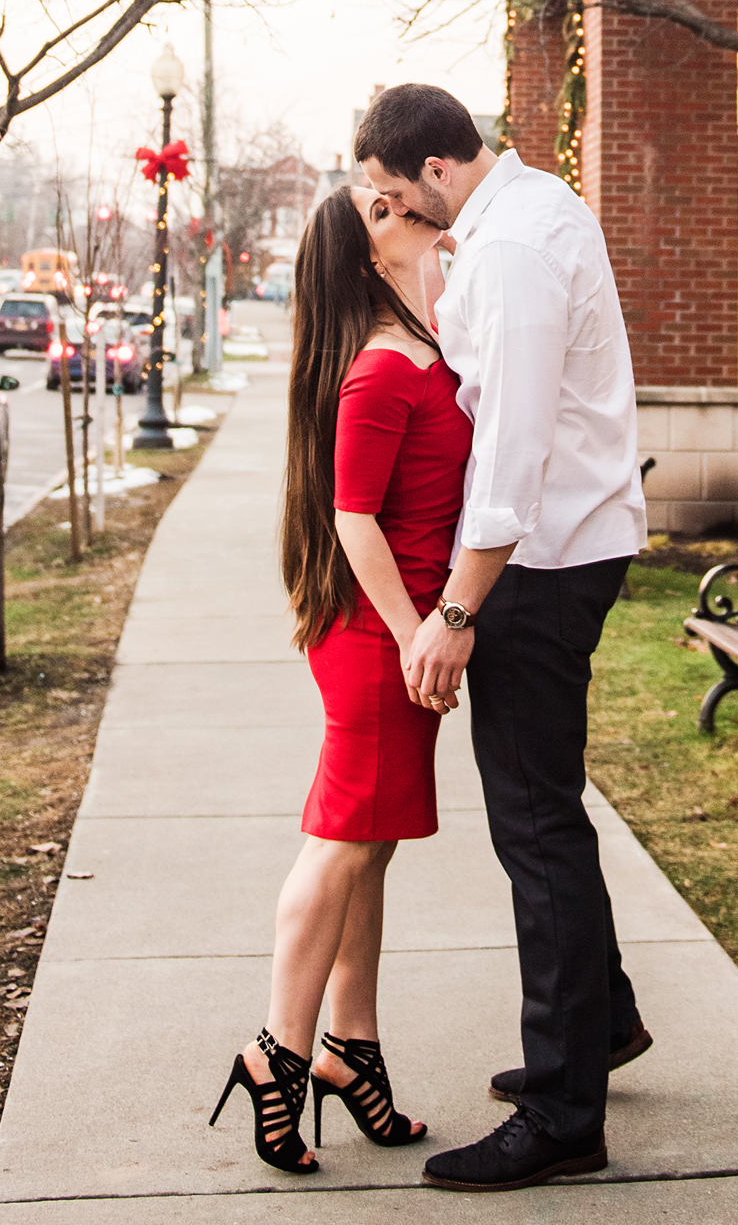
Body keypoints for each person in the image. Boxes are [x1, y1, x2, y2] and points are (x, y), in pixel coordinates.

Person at [355, 82, 651, 1195]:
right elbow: (480, 367)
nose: (389, 212)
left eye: (392, 193)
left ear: (434, 170)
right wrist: (410, 256)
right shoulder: (513, 219)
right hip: (566, 545)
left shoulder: (518, 247)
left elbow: (512, 452)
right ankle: (602, 1021)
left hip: (542, 563)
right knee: (547, 811)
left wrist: (457, 611)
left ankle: (565, 1108)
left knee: (535, 827)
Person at [210, 183, 472, 1175]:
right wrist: (418, 635)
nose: (415, 209)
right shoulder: (376, 370)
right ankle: (275, 1048)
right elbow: (353, 517)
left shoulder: (420, 334)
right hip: (378, 638)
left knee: (370, 849)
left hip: (390, 634)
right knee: (335, 848)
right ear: (369, 245)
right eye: (392, 209)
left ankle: (349, 1045)